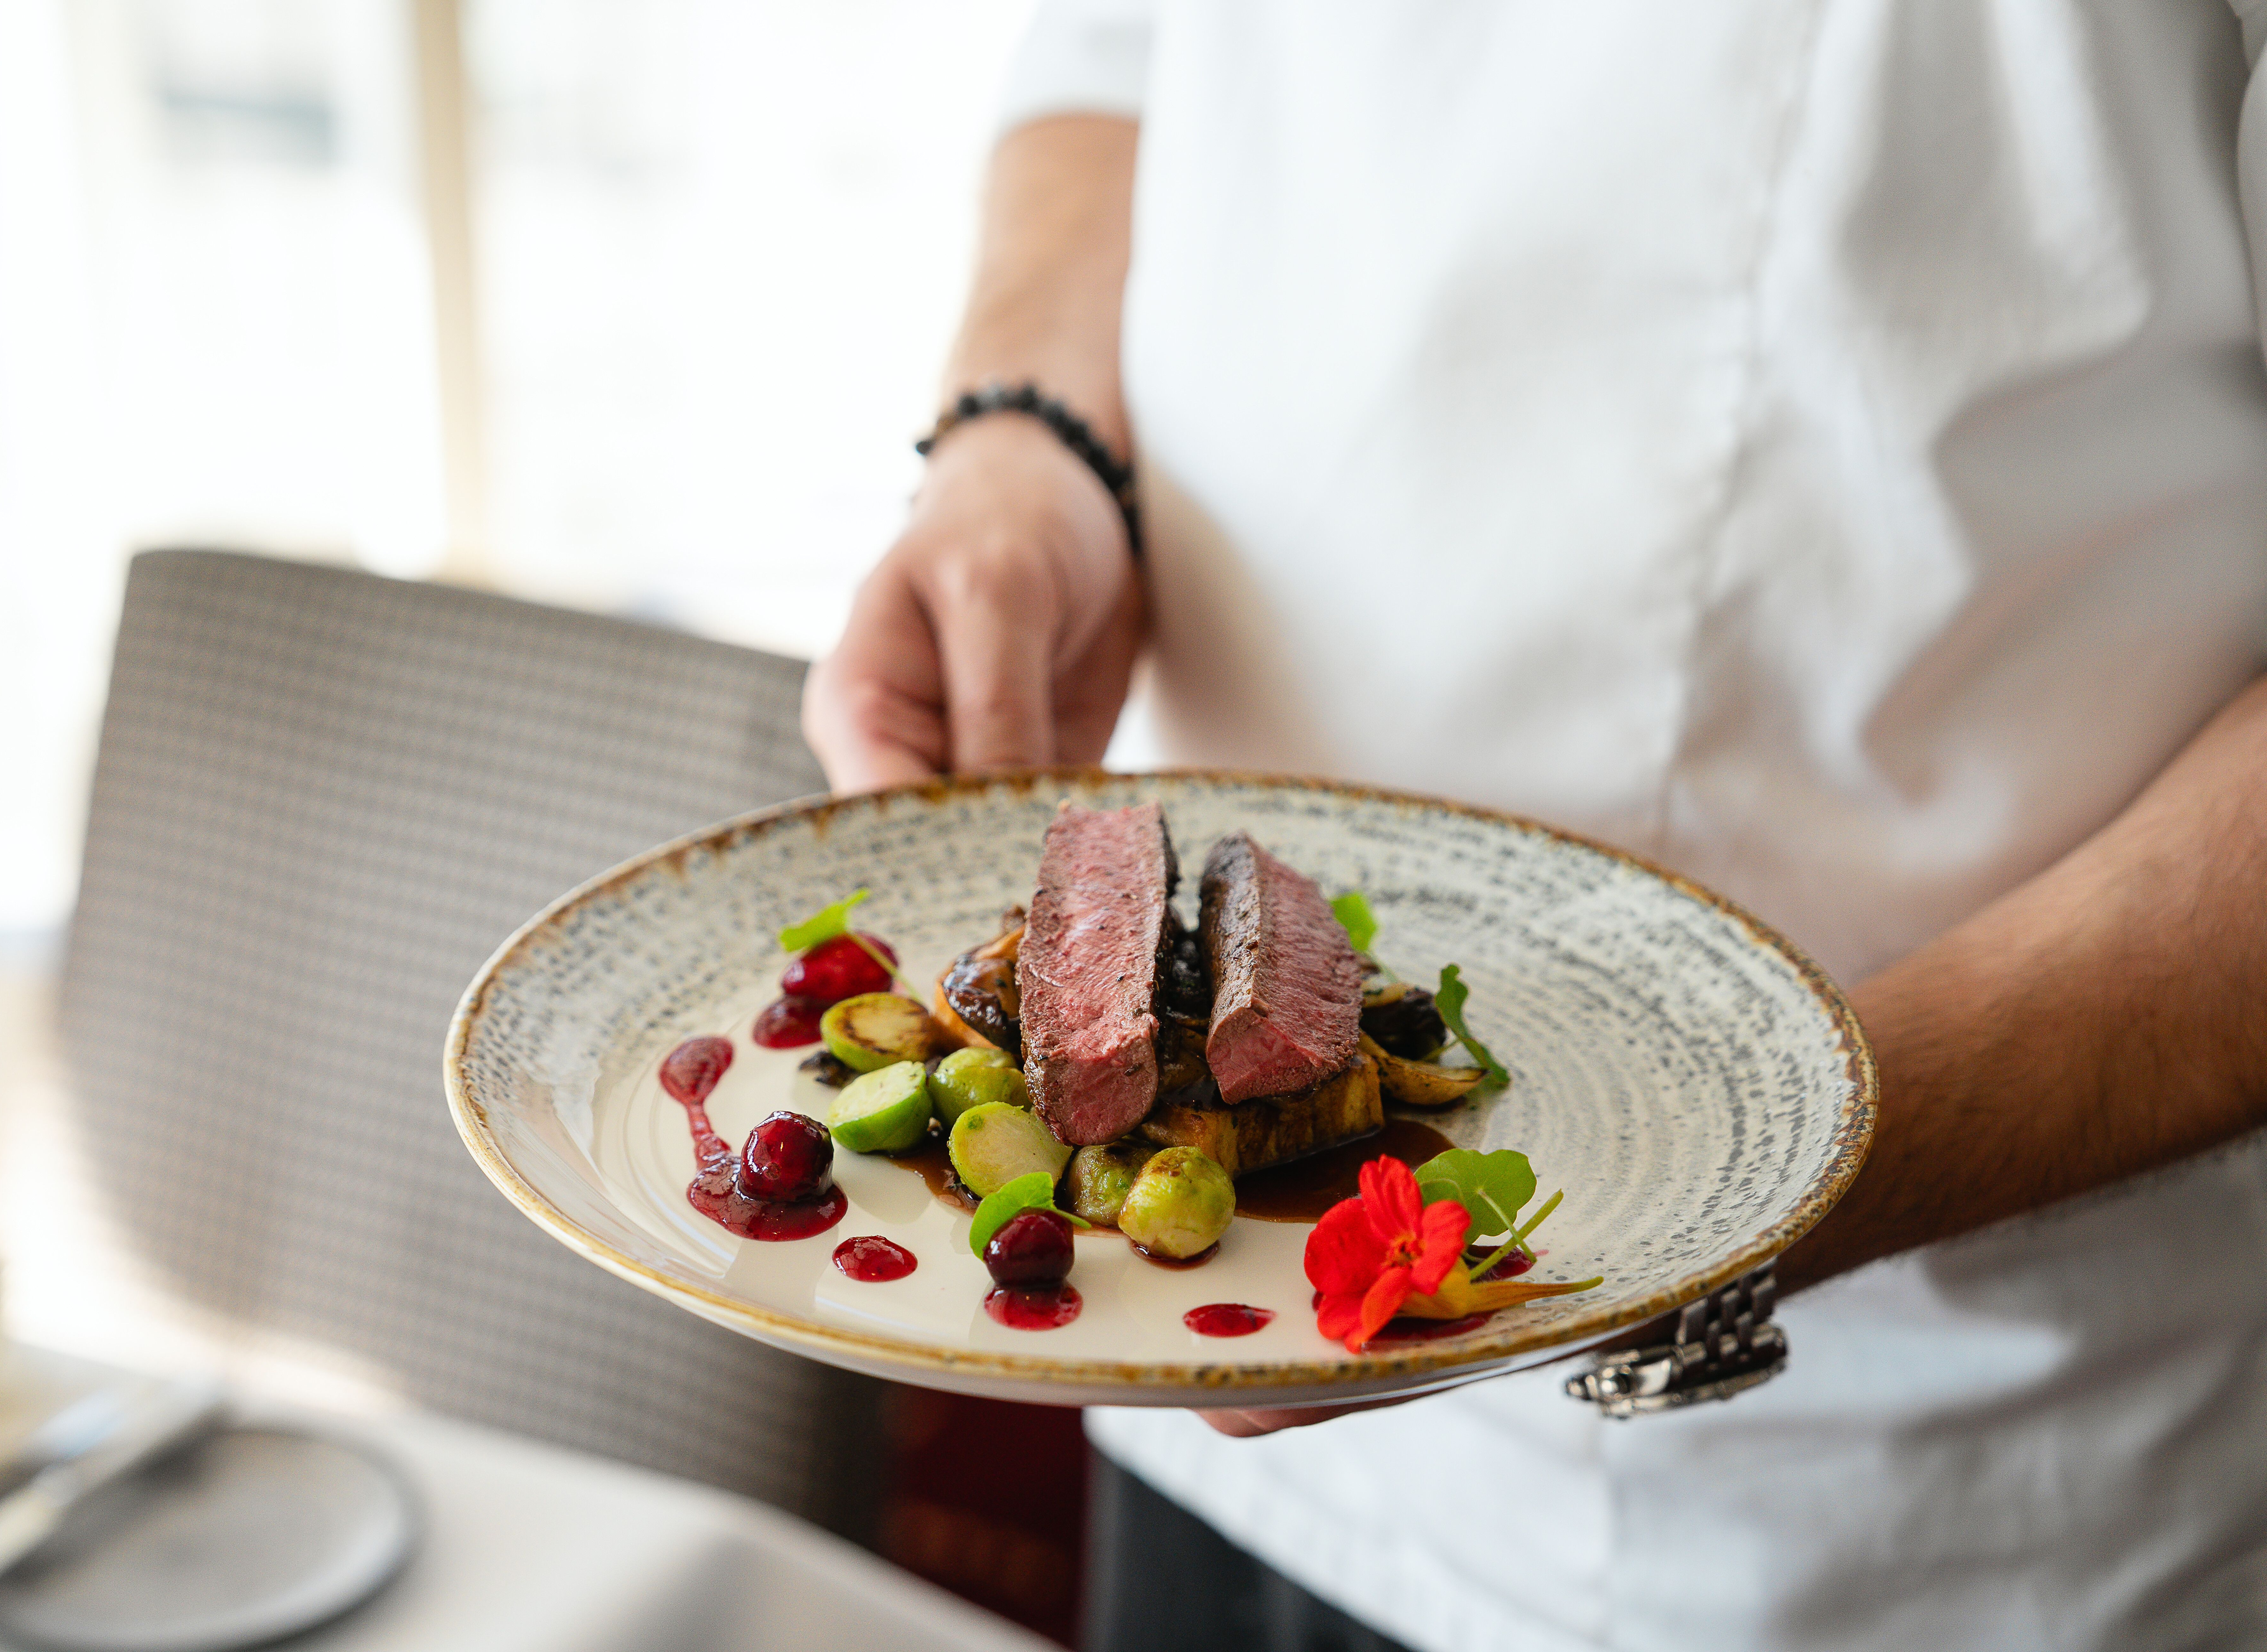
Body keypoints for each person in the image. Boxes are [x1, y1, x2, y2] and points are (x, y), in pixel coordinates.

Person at [804, 5, 2267, 1649]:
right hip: (1205, 1365)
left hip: (1940, 1487)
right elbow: (1113, 61)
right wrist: (1024, 443)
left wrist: (1740, 1180)